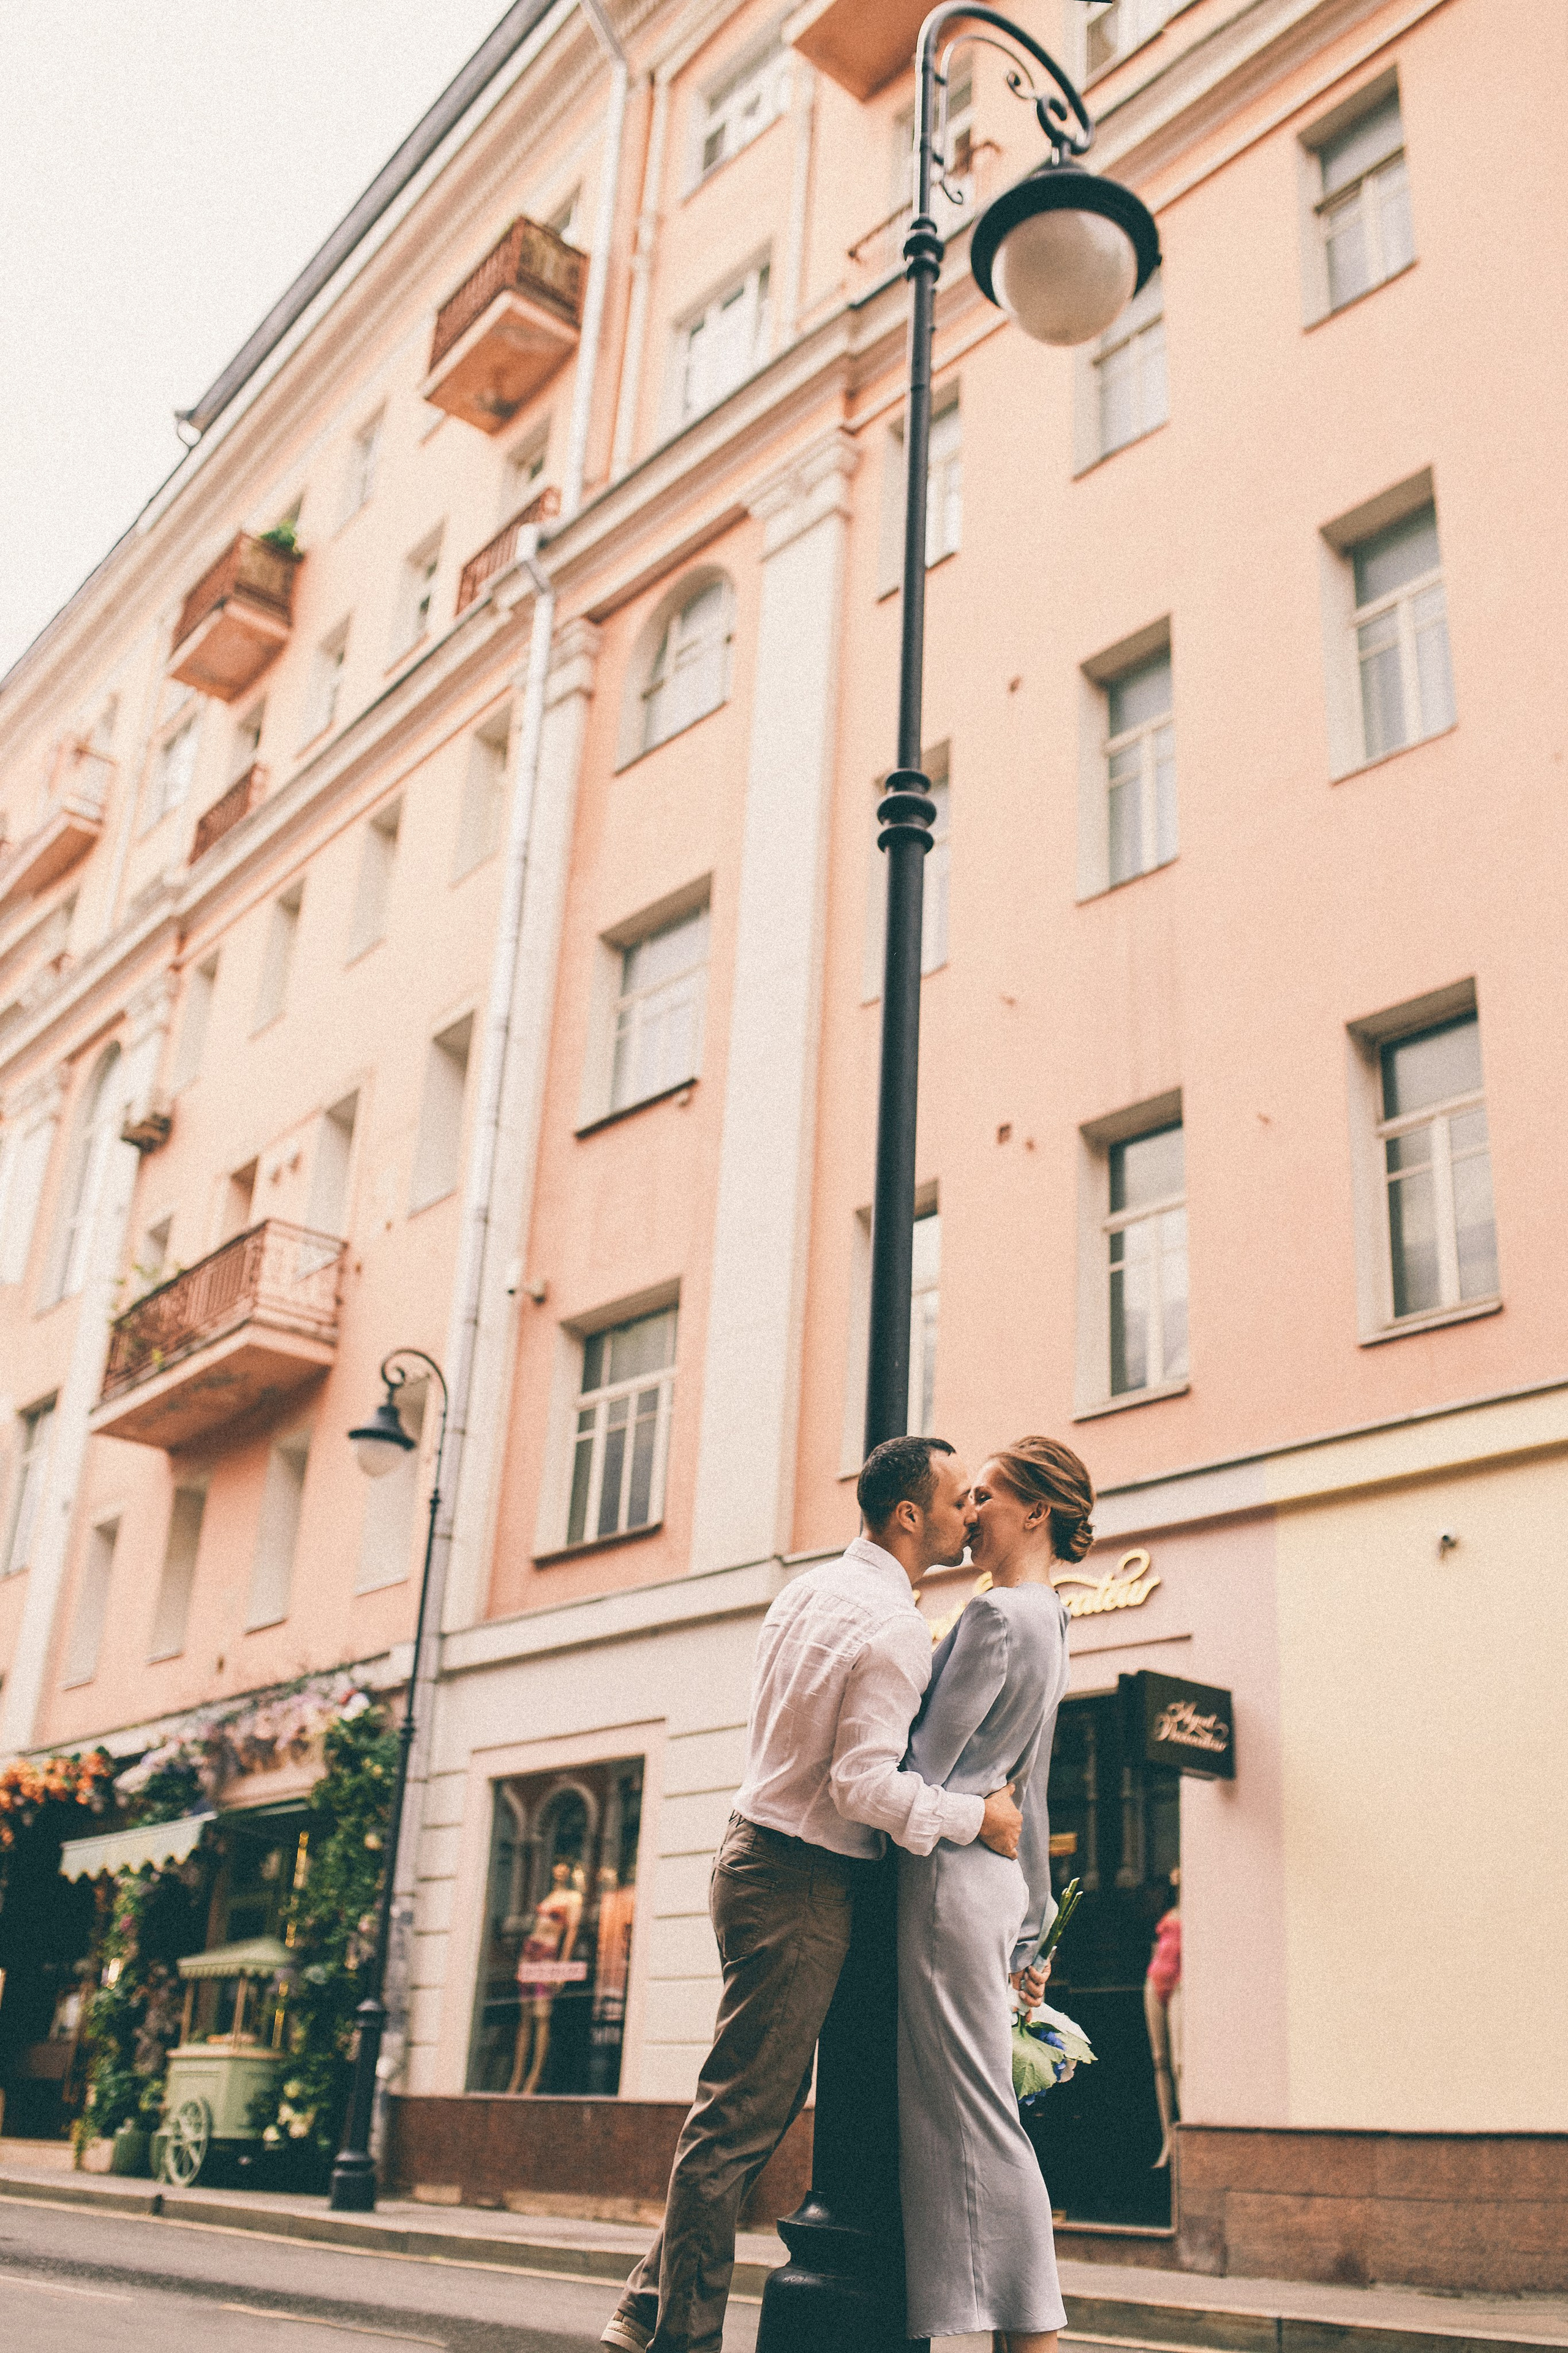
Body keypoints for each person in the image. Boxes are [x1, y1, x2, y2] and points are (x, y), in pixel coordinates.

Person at [602, 1435, 1025, 2353]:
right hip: (800, 1879)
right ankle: (681, 2339)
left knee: (747, 2106)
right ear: (910, 1514)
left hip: (754, 1854)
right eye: (957, 1498)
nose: (969, 1512)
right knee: (737, 2120)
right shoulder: (893, 1628)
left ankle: (645, 2306)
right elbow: (862, 1786)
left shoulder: (806, 1590)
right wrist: (976, 1819)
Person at [897, 1435, 1093, 2353]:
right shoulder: (1051, 1618)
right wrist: (1036, 1930)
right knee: (979, 2113)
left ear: (1037, 1510)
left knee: (975, 2115)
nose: (968, 1513)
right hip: (997, 1888)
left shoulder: (993, 1618)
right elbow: (1038, 1787)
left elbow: (922, 1768)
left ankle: (1030, 2334)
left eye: (985, 1496)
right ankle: (1011, 2332)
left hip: (944, 1879)